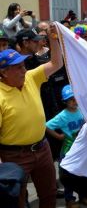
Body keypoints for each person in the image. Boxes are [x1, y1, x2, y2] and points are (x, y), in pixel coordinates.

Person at [0, 23, 63, 208]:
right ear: (3, 72)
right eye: (17, 67)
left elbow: (56, 63)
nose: (23, 70)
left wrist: (53, 40)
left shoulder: (30, 77)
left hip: (42, 149)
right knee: (18, 200)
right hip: (14, 155)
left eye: (23, 65)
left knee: (49, 194)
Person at [45, 84, 85, 206]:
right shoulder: (63, 116)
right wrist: (59, 136)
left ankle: (84, 196)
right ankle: (70, 199)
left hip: (82, 149)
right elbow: (47, 126)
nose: (74, 102)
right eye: (70, 100)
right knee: (69, 176)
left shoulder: (82, 110)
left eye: (75, 98)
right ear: (65, 102)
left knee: (83, 173)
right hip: (68, 151)